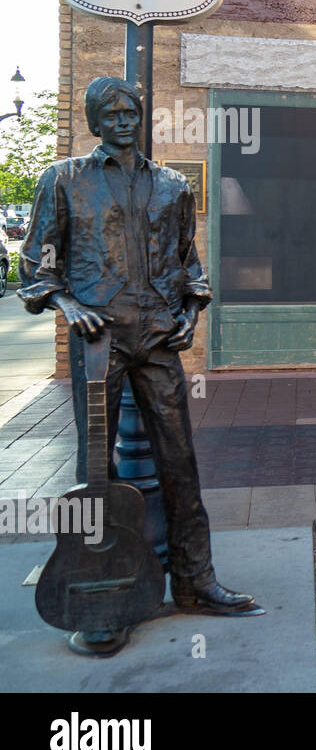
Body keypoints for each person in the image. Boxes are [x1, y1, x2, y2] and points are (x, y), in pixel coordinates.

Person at [19, 76, 255, 621]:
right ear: (94, 121)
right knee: (96, 469)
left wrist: (192, 313)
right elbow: (37, 261)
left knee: (180, 463)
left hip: (157, 336)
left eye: (132, 113)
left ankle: (196, 581)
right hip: (98, 339)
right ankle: (99, 594)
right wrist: (65, 303)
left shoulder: (173, 185)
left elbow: (186, 263)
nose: (125, 122)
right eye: (113, 114)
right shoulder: (63, 180)